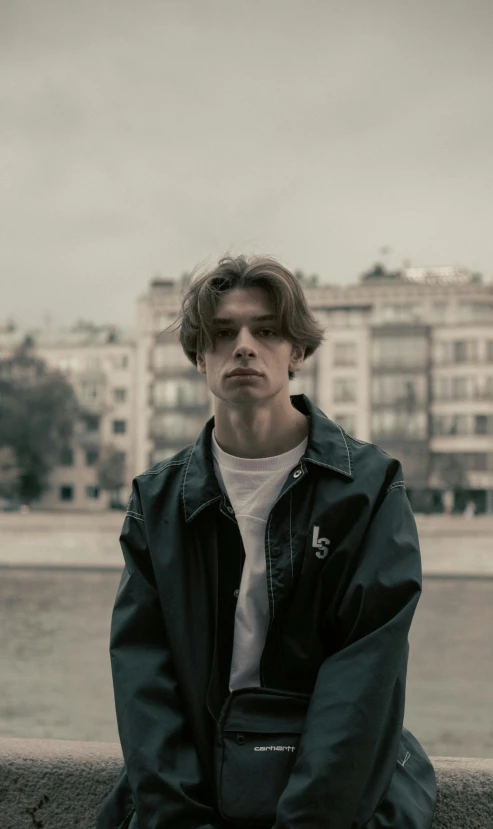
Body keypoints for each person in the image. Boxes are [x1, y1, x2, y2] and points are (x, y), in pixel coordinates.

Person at [97, 255, 436, 829]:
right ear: (199, 356)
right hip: (200, 774)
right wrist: (180, 816)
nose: (245, 346)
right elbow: (143, 677)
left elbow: (364, 677)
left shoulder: (368, 487)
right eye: (224, 333)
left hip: (337, 786)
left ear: (297, 351)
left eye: (268, 330)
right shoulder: (158, 500)